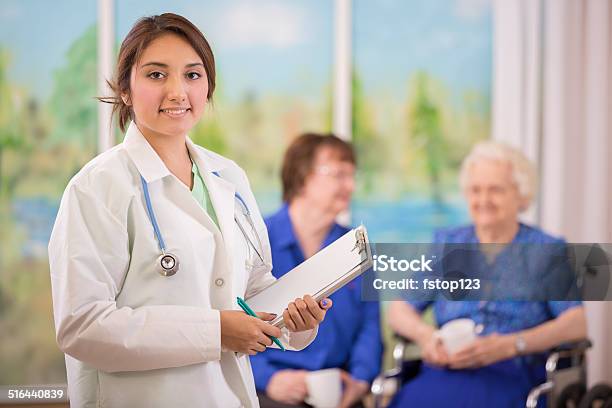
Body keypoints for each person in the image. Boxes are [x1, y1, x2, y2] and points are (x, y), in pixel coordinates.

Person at [48, 14, 332, 408]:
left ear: (208, 86)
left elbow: (252, 285)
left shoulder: (227, 176)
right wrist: (215, 332)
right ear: (126, 89)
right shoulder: (97, 187)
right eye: (156, 75)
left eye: (193, 75)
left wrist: (294, 320)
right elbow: (82, 327)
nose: (178, 92)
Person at [387, 141, 587, 408]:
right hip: (447, 371)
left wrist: (511, 344)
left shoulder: (546, 251)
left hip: (513, 375)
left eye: (496, 190)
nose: (483, 200)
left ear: (522, 195)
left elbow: (576, 323)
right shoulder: (448, 244)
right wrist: (426, 336)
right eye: (475, 190)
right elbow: (399, 309)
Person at [251, 133, 383, 408]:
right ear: (302, 176)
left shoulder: (357, 248)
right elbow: (233, 320)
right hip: (270, 390)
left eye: (351, 175)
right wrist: (268, 379)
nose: (350, 185)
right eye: (338, 174)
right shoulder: (256, 241)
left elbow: (370, 328)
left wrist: (359, 380)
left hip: (338, 390)